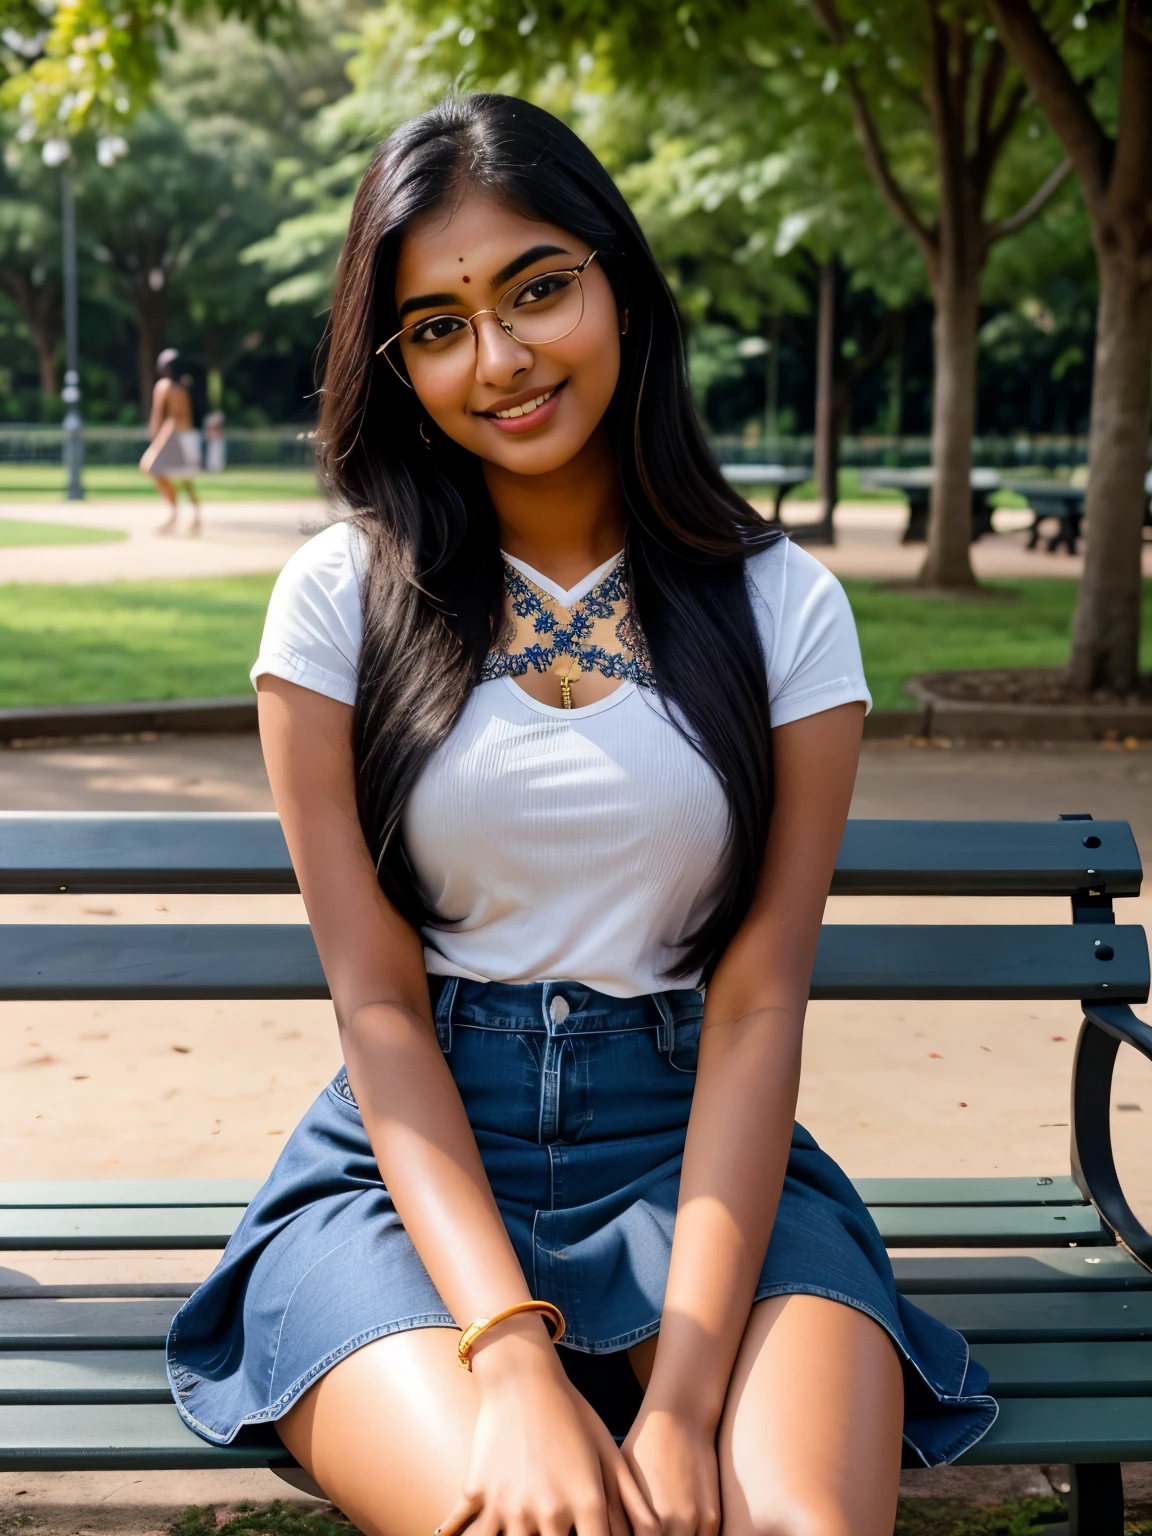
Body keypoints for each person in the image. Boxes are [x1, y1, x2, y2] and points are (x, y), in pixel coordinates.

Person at [166, 95, 995, 1536]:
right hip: (408, 1180)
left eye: (540, 288)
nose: (500, 360)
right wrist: (512, 1359)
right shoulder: (340, 604)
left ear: (621, 279)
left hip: (705, 1157)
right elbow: (377, 1010)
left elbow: (756, 1004)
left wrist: (681, 1399)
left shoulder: (781, 607)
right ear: (402, 364)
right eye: (436, 325)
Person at [140, 349, 202, 535]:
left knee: (149, 467)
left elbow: (158, 415)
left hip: (172, 434)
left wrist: (156, 438)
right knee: (185, 477)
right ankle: (195, 517)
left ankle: (174, 514)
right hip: (187, 433)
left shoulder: (163, 386)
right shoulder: (183, 387)